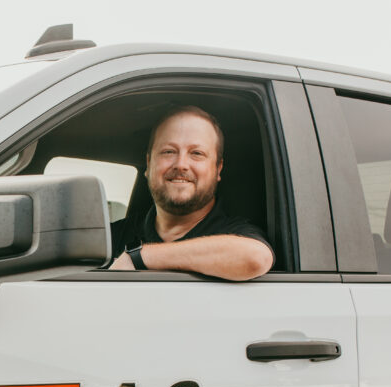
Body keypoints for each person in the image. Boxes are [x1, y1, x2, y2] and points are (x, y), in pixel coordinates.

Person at [109, 106, 274, 280]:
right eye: (169, 151)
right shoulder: (113, 237)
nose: (181, 164)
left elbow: (256, 258)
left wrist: (138, 257)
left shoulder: (236, 234)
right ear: (149, 163)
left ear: (218, 168)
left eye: (197, 153)